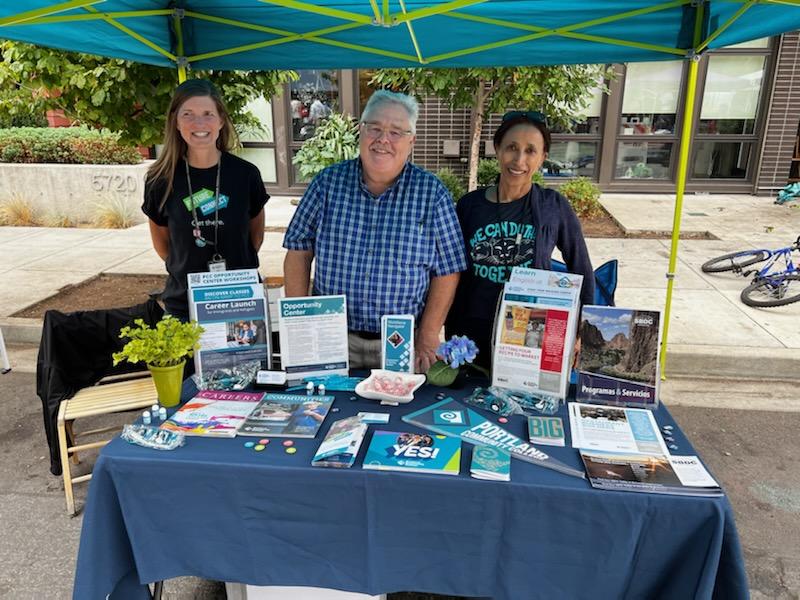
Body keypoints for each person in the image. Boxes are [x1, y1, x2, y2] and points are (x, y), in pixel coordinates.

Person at [283, 90, 467, 372]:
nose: (383, 140)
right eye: (375, 128)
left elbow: (448, 270)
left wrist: (429, 336)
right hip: (331, 338)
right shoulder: (327, 184)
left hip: (401, 343)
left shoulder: (432, 195)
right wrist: (300, 322)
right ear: (361, 130)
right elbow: (298, 250)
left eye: (396, 132)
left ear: (411, 140)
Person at [446, 110, 594, 367]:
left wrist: (583, 330)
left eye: (530, 151)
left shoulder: (553, 206)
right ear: (497, 148)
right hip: (471, 333)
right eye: (511, 147)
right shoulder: (469, 206)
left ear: (543, 157)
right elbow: (450, 271)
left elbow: (581, 268)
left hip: (530, 335)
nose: (519, 159)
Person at [142, 79, 268, 321]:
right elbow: (163, 245)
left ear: (221, 120)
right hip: (184, 304)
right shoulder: (159, 179)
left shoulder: (246, 174)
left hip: (240, 299)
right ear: (176, 122)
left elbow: (256, 237)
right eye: (188, 114)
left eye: (208, 114)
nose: (199, 123)